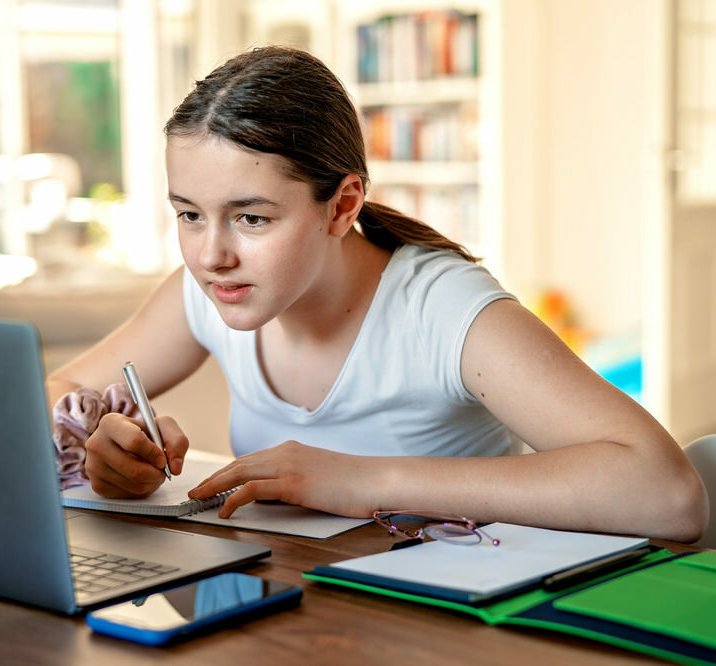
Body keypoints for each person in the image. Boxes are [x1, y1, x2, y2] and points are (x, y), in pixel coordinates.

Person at [47, 46, 707, 543]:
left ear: (343, 206)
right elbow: (50, 397)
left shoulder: (442, 310)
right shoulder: (208, 290)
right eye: (189, 213)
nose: (210, 253)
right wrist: (104, 447)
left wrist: (367, 480)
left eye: (251, 217)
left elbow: (669, 493)